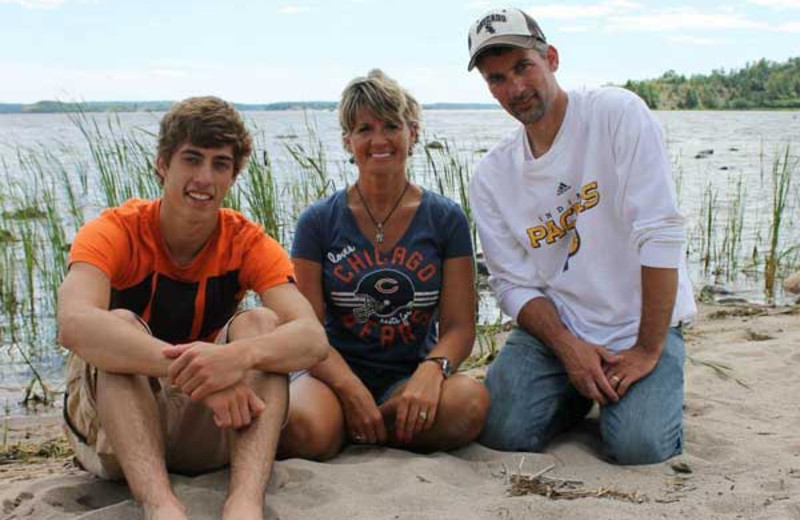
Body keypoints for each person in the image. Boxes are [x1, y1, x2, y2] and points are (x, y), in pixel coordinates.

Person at [58, 96, 328, 520]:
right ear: (163, 164)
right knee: (119, 325)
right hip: (113, 431)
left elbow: (312, 338)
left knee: (261, 324)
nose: (204, 178)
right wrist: (199, 374)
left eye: (220, 164)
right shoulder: (115, 229)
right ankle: (161, 507)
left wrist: (236, 357)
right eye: (192, 159)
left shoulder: (245, 240)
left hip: (207, 426)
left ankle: (244, 503)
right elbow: (73, 324)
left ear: (234, 174)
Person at [466, 8, 697, 464]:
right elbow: (512, 283)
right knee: (498, 430)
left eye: (522, 67)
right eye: (496, 79)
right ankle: (575, 391)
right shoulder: (491, 176)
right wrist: (570, 349)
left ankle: (634, 390)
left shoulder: (617, 114)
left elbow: (660, 232)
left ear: (551, 57)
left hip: (639, 325)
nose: (514, 89)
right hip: (562, 328)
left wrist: (648, 348)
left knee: (638, 447)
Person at [278, 69, 489, 459]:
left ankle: (365, 427)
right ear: (347, 141)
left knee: (470, 402)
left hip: (409, 376)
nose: (379, 139)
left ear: (413, 134)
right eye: (364, 129)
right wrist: (349, 389)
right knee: (306, 430)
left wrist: (433, 371)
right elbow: (306, 330)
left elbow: (459, 327)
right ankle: (357, 422)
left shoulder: (446, 218)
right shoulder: (318, 221)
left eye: (391, 126)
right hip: (332, 373)